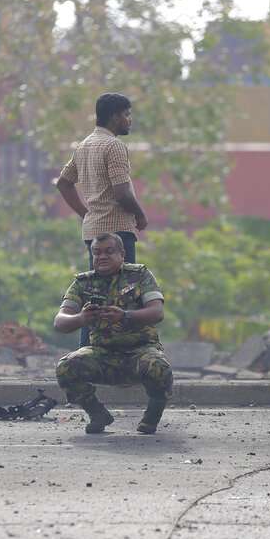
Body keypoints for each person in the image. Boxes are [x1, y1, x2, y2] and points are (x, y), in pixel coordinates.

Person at [53, 233, 172, 434]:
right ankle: (97, 413)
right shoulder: (83, 283)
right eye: (97, 253)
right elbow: (60, 322)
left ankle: (152, 416)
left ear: (122, 254)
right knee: (66, 367)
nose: (102, 257)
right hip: (103, 354)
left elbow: (157, 312)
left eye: (109, 252)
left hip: (140, 351)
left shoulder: (140, 275)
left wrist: (125, 316)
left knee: (159, 367)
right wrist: (82, 318)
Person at [55, 92, 148, 347]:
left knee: (94, 296)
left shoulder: (84, 145)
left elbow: (63, 184)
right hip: (118, 233)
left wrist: (87, 213)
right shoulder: (114, 146)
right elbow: (122, 192)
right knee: (123, 298)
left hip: (93, 233)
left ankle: (87, 353)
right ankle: (118, 357)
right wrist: (140, 214)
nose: (129, 121)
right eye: (127, 115)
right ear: (115, 116)